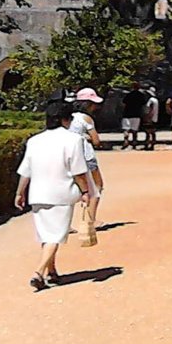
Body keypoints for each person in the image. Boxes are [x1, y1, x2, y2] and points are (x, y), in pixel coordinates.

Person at [15, 100, 91, 290]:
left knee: (46, 234)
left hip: (38, 194)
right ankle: (39, 271)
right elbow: (78, 171)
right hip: (61, 195)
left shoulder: (35, 140)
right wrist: (86, 191)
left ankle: (52, 270)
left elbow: (26, 170)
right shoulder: (73, 140)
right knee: (55, 235)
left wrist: (19, 193)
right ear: (66, 119)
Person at [69, 88, 105, 247]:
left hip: (69, 156)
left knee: (71, 188)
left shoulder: (68, 118)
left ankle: (66, 223)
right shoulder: (87, 119)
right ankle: (91, 220)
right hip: (86, 156)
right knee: (96, 187)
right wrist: (86, 137)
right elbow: (96, 140)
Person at [120, 82, 148, 149]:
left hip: (127, 114)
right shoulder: (141, 95)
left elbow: (123, 104)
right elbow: (144, 105)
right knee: (135, 130)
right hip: (136, 114)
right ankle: (134, 142)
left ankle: (126, 141)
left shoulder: (128, 95)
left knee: (126, 129)